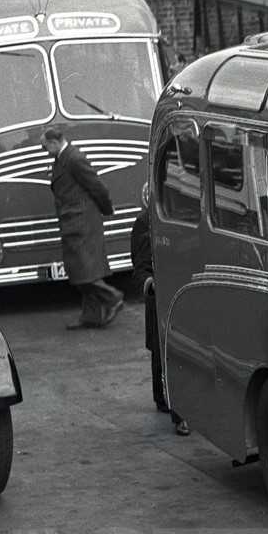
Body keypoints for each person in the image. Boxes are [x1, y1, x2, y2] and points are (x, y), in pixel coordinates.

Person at [44, 123, 122, 329]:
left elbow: (96, 185)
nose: (44, 151)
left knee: (83, 270)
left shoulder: (74, 158)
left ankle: (112, 297)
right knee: (80, 268)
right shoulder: (62, 158)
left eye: (45, 146)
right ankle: (91, 316)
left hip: (82, 219)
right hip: (74, 219)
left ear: (54, 142)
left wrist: (107, 209)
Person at [129, 183, 190, 434]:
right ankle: (170, 403)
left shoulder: (185, 220)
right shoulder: (144, 223)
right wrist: (151, 283)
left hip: (183, 292)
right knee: (162, 351)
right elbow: (140, 266)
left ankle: (176, 403)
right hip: (162, 295)